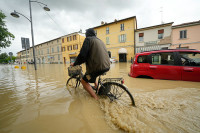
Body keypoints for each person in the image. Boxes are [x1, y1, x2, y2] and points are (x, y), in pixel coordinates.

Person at [71, 28, 110, 100]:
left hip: (97, 66)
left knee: (84, 81)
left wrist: (75, 63)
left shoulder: (88, 39)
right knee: (91, 75)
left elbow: (82, 55)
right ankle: (97, 88)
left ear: (87, 34)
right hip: (107, 65)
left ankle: (96, 98)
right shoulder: (100, 40)